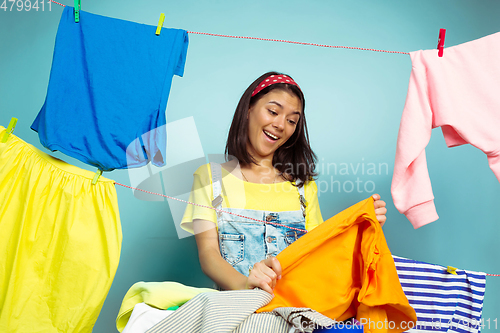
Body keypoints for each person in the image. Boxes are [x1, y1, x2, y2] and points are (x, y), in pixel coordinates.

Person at [180, 72, 387, 295]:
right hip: (236, 306)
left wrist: (360, 230)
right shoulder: (209, 178)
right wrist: (246, 286)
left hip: (296, 308)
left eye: (291, 121)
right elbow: (208, 255)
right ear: (248, 109)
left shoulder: (303, 187)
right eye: (273, 111)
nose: (280, 125)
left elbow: (320, 256)